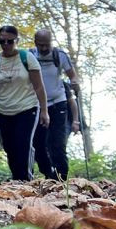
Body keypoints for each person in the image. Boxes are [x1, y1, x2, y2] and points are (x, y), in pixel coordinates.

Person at [0, 24, 48, 182]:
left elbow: (39, 87)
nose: (6, 45)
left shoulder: (26, 58)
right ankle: (16, 179)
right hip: (3, 110)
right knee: (10, 148)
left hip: (27, 107)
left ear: (16, 40)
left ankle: (25, 180)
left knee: (23, 145)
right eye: (2, 41)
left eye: (10, 41)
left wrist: (44, 111)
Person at [31, 27, 82, 181]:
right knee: (38, 144)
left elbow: (72, 75)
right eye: (41, 45)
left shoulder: (59, 55)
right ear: (35, 43)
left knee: (58, 144)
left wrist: (74, 82)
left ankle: (62, 179)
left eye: (47, 44)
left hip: (58, 103)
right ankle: (48, 174)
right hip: (38, 104)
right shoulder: (30, 55)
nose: (44, 48)